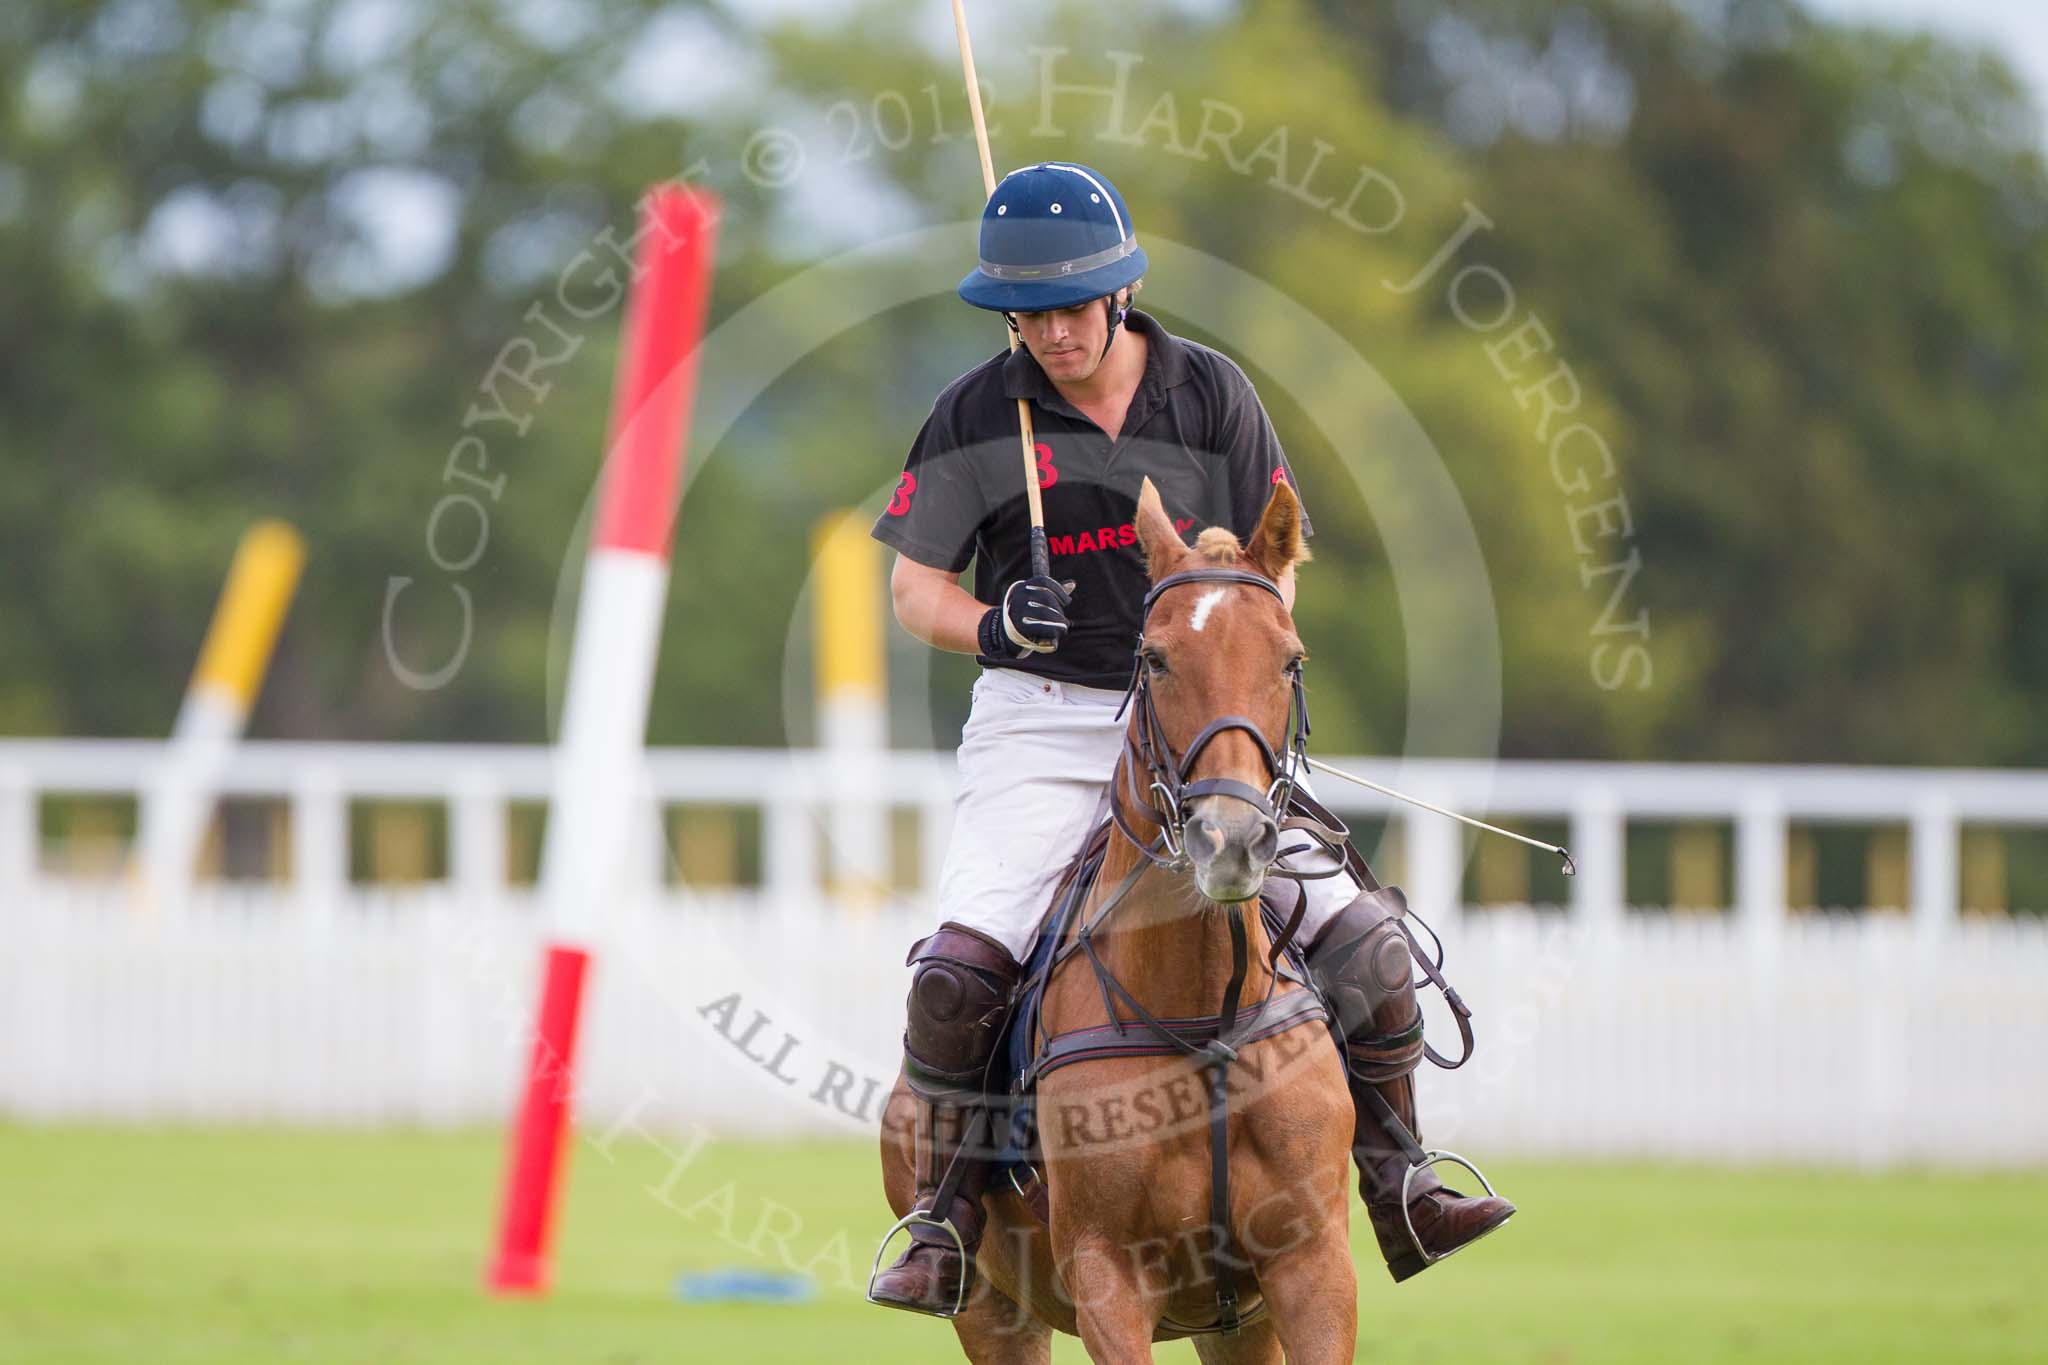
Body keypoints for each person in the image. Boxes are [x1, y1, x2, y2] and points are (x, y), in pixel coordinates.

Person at [866, 162, 1513, 1317]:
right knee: (958, 979)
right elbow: (913, 592)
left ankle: (1398, 1175)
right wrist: (994, 623)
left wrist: (1226, 681)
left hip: (1201, 713)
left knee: (1364, 944)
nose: (1054, 332)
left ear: (1120, 295)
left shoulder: (1208, 392)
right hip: (1045, 724)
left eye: (1074, 306)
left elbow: (1276, 567)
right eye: (1031, 312)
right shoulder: (977, 413)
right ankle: (947, 1220)